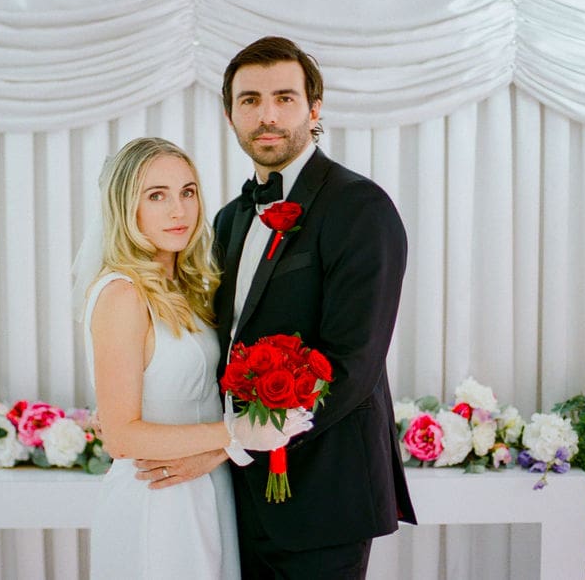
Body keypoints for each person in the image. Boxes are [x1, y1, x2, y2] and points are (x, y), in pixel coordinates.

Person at [136, 38, 416, 578]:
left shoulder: (361, 209)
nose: (266, 115)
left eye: (284, 98)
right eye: (249, 100)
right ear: (229, 113)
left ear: (314, 108)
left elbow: (350, 367)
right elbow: (216, 343)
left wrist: (228, 446)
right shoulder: (226, 219)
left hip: (323, 501)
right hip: (232, 501)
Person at [77, 137, 312, 580]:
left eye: (187, 192)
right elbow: (121, 437)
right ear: (126, 208)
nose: (178, 211)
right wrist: (235, 432)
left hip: (207, 487)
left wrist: (225, 446)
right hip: (157, 498)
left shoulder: (188, 288)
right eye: (156, 196)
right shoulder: (122, 294)